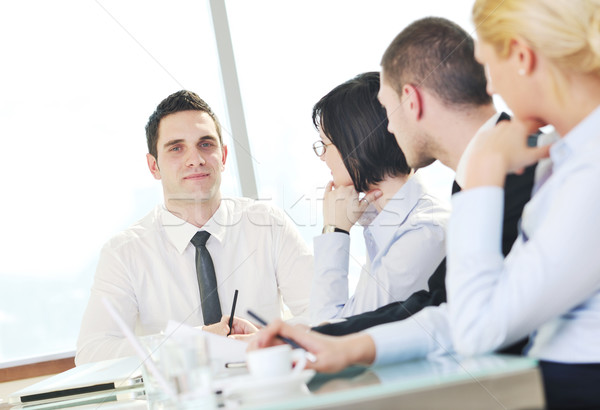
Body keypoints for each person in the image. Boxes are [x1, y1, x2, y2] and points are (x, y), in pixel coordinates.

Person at [253, 2, 600, 406]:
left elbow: (477, 325)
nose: (490, 89)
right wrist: (350, 346)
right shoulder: (563, 161)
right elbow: (459, 311)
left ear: (522, 58)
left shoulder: (573, 170)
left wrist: (484, 178)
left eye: (489, 68)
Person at [312, 17, 533, 341]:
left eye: (388, 111)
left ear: (412, 101)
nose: (387, 129)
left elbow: (459, 316)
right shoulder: (474, 181)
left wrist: (328, 337)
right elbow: (437, 303)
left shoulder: (521, 170)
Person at [76, 90, 313, 365]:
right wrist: (195, 341)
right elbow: (92, 353)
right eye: (176, 148)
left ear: (223, 156)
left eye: (205, 144)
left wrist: (268, 339)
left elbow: (325, 313)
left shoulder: (268, 224)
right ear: (154, 166)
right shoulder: (124, 253)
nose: (195, 159)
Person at [309, 71, 448, 324]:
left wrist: (335, 230)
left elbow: (332, 328)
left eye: (325, 144)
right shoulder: (384, 222)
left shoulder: (421, 234)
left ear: (357, 145)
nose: (322, 157)